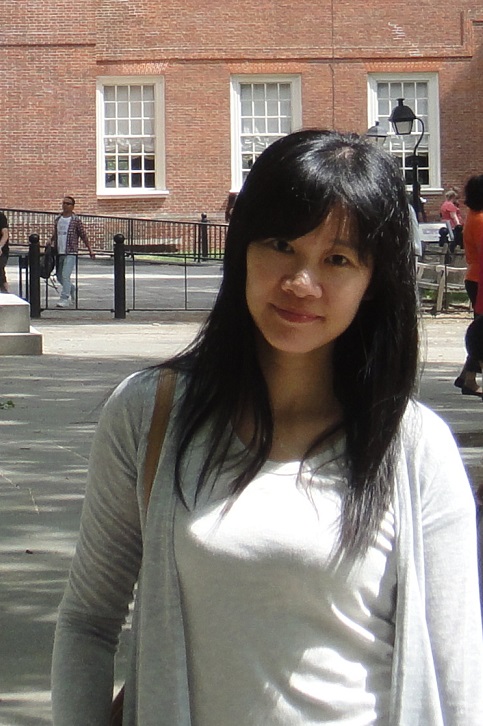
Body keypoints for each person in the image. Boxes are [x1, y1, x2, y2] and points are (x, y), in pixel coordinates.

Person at [51, 130, 483, 725]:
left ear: (372, 280)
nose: (301, 283)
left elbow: (456, 670)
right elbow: (88, 621)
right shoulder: (148, 414)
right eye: (281, 245)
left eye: (337, 259)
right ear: (243, 249)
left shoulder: (415, 448)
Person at [454, 175, 483, 395]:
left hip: (475, 276)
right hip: (479, 278)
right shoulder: (480, 219)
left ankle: (468, 377)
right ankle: (469, 378)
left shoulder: (474, 215)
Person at [50, 196, 95, 308]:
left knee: (65, 275)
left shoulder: (75, 220)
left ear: (73, 206)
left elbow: (83, 235)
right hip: (59, 251)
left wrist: (90, 249)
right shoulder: (58, 219)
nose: (65, 205)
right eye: (64, 203)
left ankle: (64, 298)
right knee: (59, 276)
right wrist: (50, 241)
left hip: (71, 251)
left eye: (68, 203)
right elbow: (56, 233)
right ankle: (72, 288)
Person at [0, 209, 9, 293]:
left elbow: (5, 234)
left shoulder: (1, 217)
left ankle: (5, 291)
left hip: (2, 250)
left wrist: (0, 246)